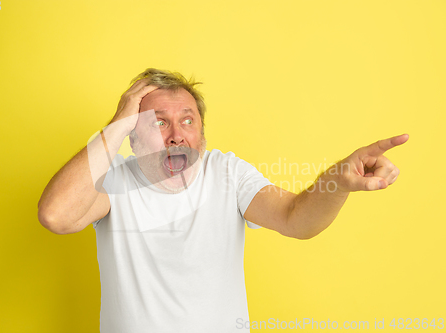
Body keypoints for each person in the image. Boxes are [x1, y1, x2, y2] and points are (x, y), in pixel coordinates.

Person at [38, 68, 408, 332]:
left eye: (188, 120)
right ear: (132, 138)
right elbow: (56, 216)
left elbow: (297, 218)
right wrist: (116, 123)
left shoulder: (228, 172)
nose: (177, 136)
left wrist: (339, 181)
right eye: (159, 122)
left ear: (201, 133)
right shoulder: (113, 179)